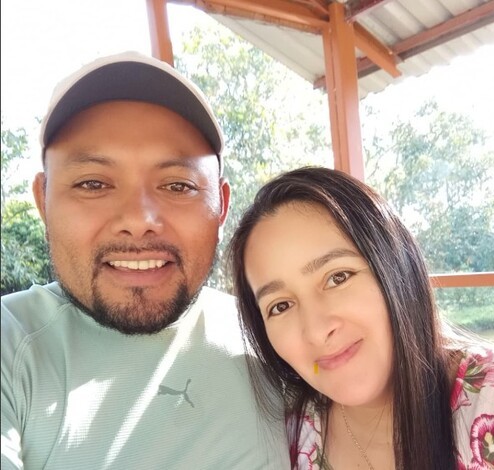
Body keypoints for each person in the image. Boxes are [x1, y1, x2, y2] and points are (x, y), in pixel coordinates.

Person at [1, 51, 290, 469]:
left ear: (222, 207)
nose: (139, 221)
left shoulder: (277, 336)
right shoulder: (12, 344)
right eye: (93, 183)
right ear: (43, 201)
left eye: (178, 185)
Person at [228, 166, 494, 470]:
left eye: (338, 277)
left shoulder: (489, 400)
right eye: (280, 306)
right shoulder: (288, 436)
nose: (316, 331)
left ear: (397, 265)